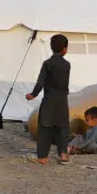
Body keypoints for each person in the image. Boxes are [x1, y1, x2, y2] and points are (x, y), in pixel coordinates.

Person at [23, 33, 72, 164]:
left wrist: (33, 94)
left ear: (51, 48)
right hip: (62, 100)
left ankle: (42, 157)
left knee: (45, 127)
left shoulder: (47, 64)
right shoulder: (67, 65)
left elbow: (41, 82)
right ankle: (63, 155)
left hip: (49, 100)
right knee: (62, 127)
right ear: (65, 49)